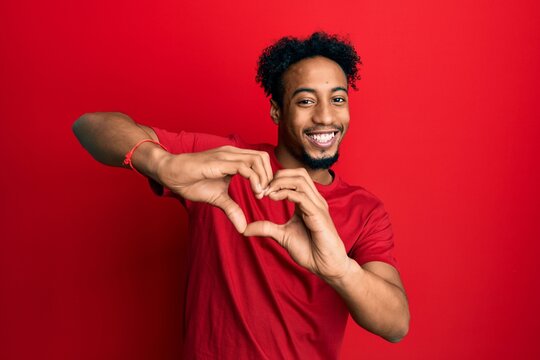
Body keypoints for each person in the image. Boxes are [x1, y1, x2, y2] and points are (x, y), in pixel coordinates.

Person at [73, 32, 409, 359]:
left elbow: (396, 324)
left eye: (338, 99)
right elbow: (89, 126)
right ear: (277, 110)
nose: (325, 116)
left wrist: (339, 269)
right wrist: (161, 163)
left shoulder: (365, 211)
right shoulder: (225, 161)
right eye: (306, 101)